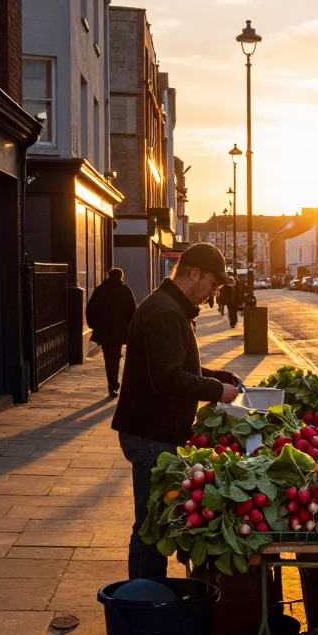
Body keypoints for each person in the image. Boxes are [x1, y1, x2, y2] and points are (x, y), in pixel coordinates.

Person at [112, 243, 240, 578]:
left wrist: (217, 376)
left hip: (154, 430)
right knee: (152, 527)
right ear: (194, 273)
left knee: (157, 522)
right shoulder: (166, 312)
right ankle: (142, 603)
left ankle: (149, 596)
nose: (213, 293)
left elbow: (175, 363)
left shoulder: (170, 307)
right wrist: (216, 391)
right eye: (213, 284)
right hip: (151, 433)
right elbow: (167, 378)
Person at [85, 268, 137, 397]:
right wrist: (130, 328)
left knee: (108, 357)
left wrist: (92, 324)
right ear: (120, 277)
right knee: (115, 356)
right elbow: (132, 311)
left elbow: (90, 308)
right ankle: (113, 383)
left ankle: (112, 383)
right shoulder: (125, 290)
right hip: (119, 330)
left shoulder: (100, 290)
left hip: (103, 329)